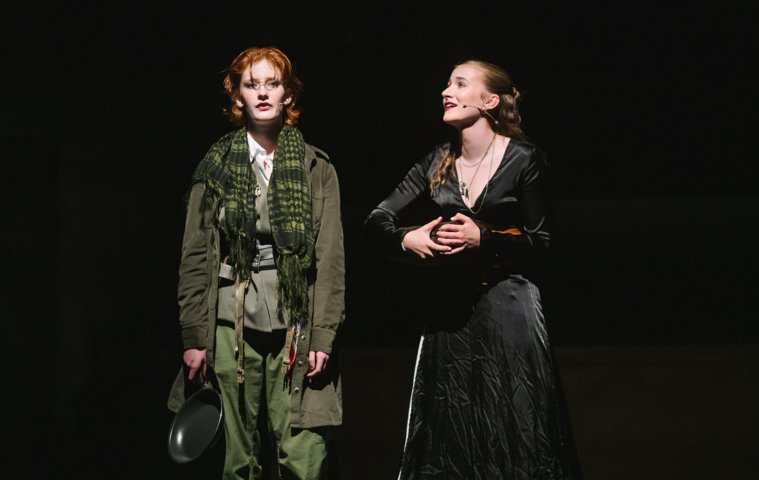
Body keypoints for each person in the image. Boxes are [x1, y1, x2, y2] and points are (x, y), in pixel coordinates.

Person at [364, 60, 582, 479]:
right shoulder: (436, 161)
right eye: (447, 83)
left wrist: (485, 238)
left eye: (460, 84)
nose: (447, 91)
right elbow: (377, 219)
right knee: (451, 432)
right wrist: (408, 238)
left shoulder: (523, 158)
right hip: (450, 314)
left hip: (510, 309)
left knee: (518, 425)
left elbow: (544, 242)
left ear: (490, 101)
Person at [167, 46, 345, 480]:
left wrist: (323, 334)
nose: (262, 93)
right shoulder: (216, 166)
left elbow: (330, 257)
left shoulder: (315, 166)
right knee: (235, 451)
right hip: (230, 319)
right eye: (252, 85)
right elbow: (195, 254)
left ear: (288, 94)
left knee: (302, 448)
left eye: (273, 83)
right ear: (238, 96)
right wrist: (194, 334)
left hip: (295, 319)